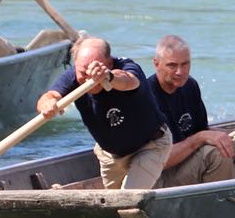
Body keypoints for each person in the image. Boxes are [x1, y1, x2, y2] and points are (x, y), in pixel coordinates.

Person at [38, 37, 172, 191]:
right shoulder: (73, 75)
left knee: (127, 199)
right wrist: (48, 104)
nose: (90, 79)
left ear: (109, 63)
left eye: (95, 72)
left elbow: (129, 81)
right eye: (83, 73)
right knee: (112, 206)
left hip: (149, 146)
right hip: (111, 156)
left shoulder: (127, 67)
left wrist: (108, 76)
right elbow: (49, 96)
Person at [147, 35, 235, 187]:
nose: (180, 71)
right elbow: (157, 161)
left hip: (189, 160)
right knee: (216, 154)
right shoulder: (147, 98)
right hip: (162, 176)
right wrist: (200, 138)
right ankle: (222, 205)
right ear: (156, 64)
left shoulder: (190, 86)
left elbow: (202, 130)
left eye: (185, 64)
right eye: (172, 65)